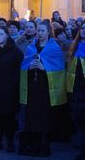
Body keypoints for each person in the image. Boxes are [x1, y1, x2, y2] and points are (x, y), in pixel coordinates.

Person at [19, 21, 67, 157]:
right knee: (32, 117)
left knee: (45, 118)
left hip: (47, 88)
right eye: (38, 31)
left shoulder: (54, 48)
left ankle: (44, 145)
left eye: (42, 31)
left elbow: (58, 67)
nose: (40, 33)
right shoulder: (31, 47)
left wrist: (44, 68)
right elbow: (24, 64)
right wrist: (29, 67)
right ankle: (33, 144)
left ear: (48, 32)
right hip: (33, 88)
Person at [67, 21, 85, 160]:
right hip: (76, 90)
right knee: (80, 122)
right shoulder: (74, 48)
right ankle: (83, 150)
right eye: (83, 28)